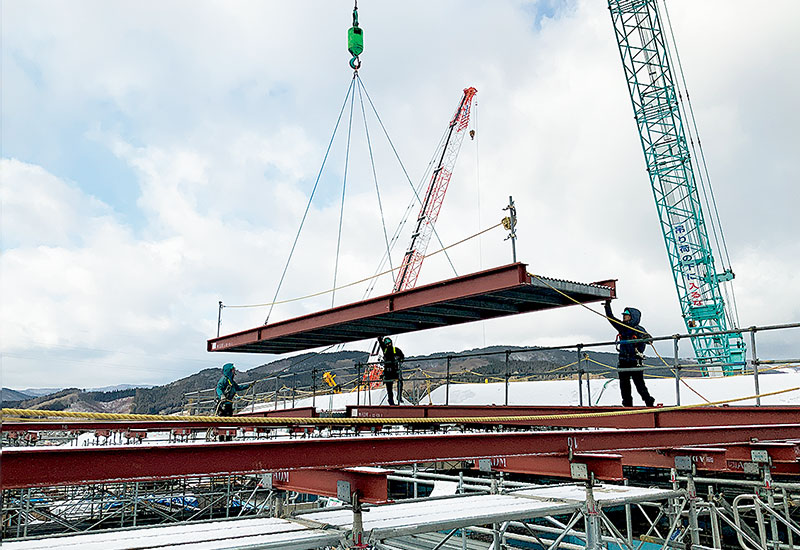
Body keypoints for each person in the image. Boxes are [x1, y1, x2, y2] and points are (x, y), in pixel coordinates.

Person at [604, 300, 655, 407]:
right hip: (623, 361)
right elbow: (611, 318)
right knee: (624, 385)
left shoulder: (640, 330)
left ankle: (648, 401)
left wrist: (646, 338)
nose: (624, 317)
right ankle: (627, 405)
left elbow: (649, 340)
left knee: (640, 385)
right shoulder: (622, 327)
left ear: (633, 316)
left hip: (635, 361)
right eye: (624, 315)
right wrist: (607, 305)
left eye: (626, 315)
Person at [215, 363, 252, 440]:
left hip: (228, 404)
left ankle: (228, 438)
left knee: (228, 422)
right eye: (233, 369)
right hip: (223, 405)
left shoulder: (231, 381)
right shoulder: (224, 379)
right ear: (229, 370)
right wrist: (221, 396)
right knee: (223, 422)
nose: (234, 370)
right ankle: (222, 439)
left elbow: (238, 387)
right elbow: (218, 388)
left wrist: (248, 386)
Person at [377, 336, 404, 406]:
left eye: (389, 343)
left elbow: (402, 357)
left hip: (394, 371)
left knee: (399, 382)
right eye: (387, 344)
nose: (388, 345)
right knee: (389, 387)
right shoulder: (385, 349)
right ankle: (391, 401)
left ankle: (399, 396)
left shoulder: (395, 350)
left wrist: (399, 359)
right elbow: (380, 342)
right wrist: (380, 338)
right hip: (389, 372)